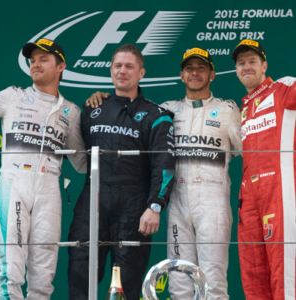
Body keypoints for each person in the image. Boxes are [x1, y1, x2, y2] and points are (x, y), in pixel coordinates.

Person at [86, 47, 242, 299]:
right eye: (189, 68)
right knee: (178, 280)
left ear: (212, 74)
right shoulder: (166, 110)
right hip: (178, 200)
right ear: (181, 75)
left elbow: (245, 151)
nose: (195, 73)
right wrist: (103, 97)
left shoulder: (228, 111)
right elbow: (134, 110)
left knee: (213, 278)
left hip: (213, 201)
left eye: (201, 68)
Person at [68, 44, 175, 300]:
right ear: (111, 70)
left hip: (134, 204)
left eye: (129, 66)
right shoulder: (92, 109)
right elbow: (77, 152)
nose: (122, 71)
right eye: (118, 66)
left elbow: (165, 164)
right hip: (92, 201)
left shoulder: (157, 115)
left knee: (127, 280)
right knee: (80, 273)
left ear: (141, 73)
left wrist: (155, 205)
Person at [0, 38, 87, 300]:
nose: (35, 64)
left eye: (43, 59)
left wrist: (99, 114)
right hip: (14, 182)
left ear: (61, 67)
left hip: (50, 188)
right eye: (32, 60)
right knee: (10, 266)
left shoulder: (71, 111)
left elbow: (82, 163)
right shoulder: (13, 96)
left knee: (44, 273)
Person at [232, 39, 296, 299]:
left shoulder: (284, 87)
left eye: (252, 61)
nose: (246, 67)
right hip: (249, 197)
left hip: (279, 190)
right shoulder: (244, 106)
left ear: (264, 65)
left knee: (284, 268)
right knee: (253, 270)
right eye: (241, 63)